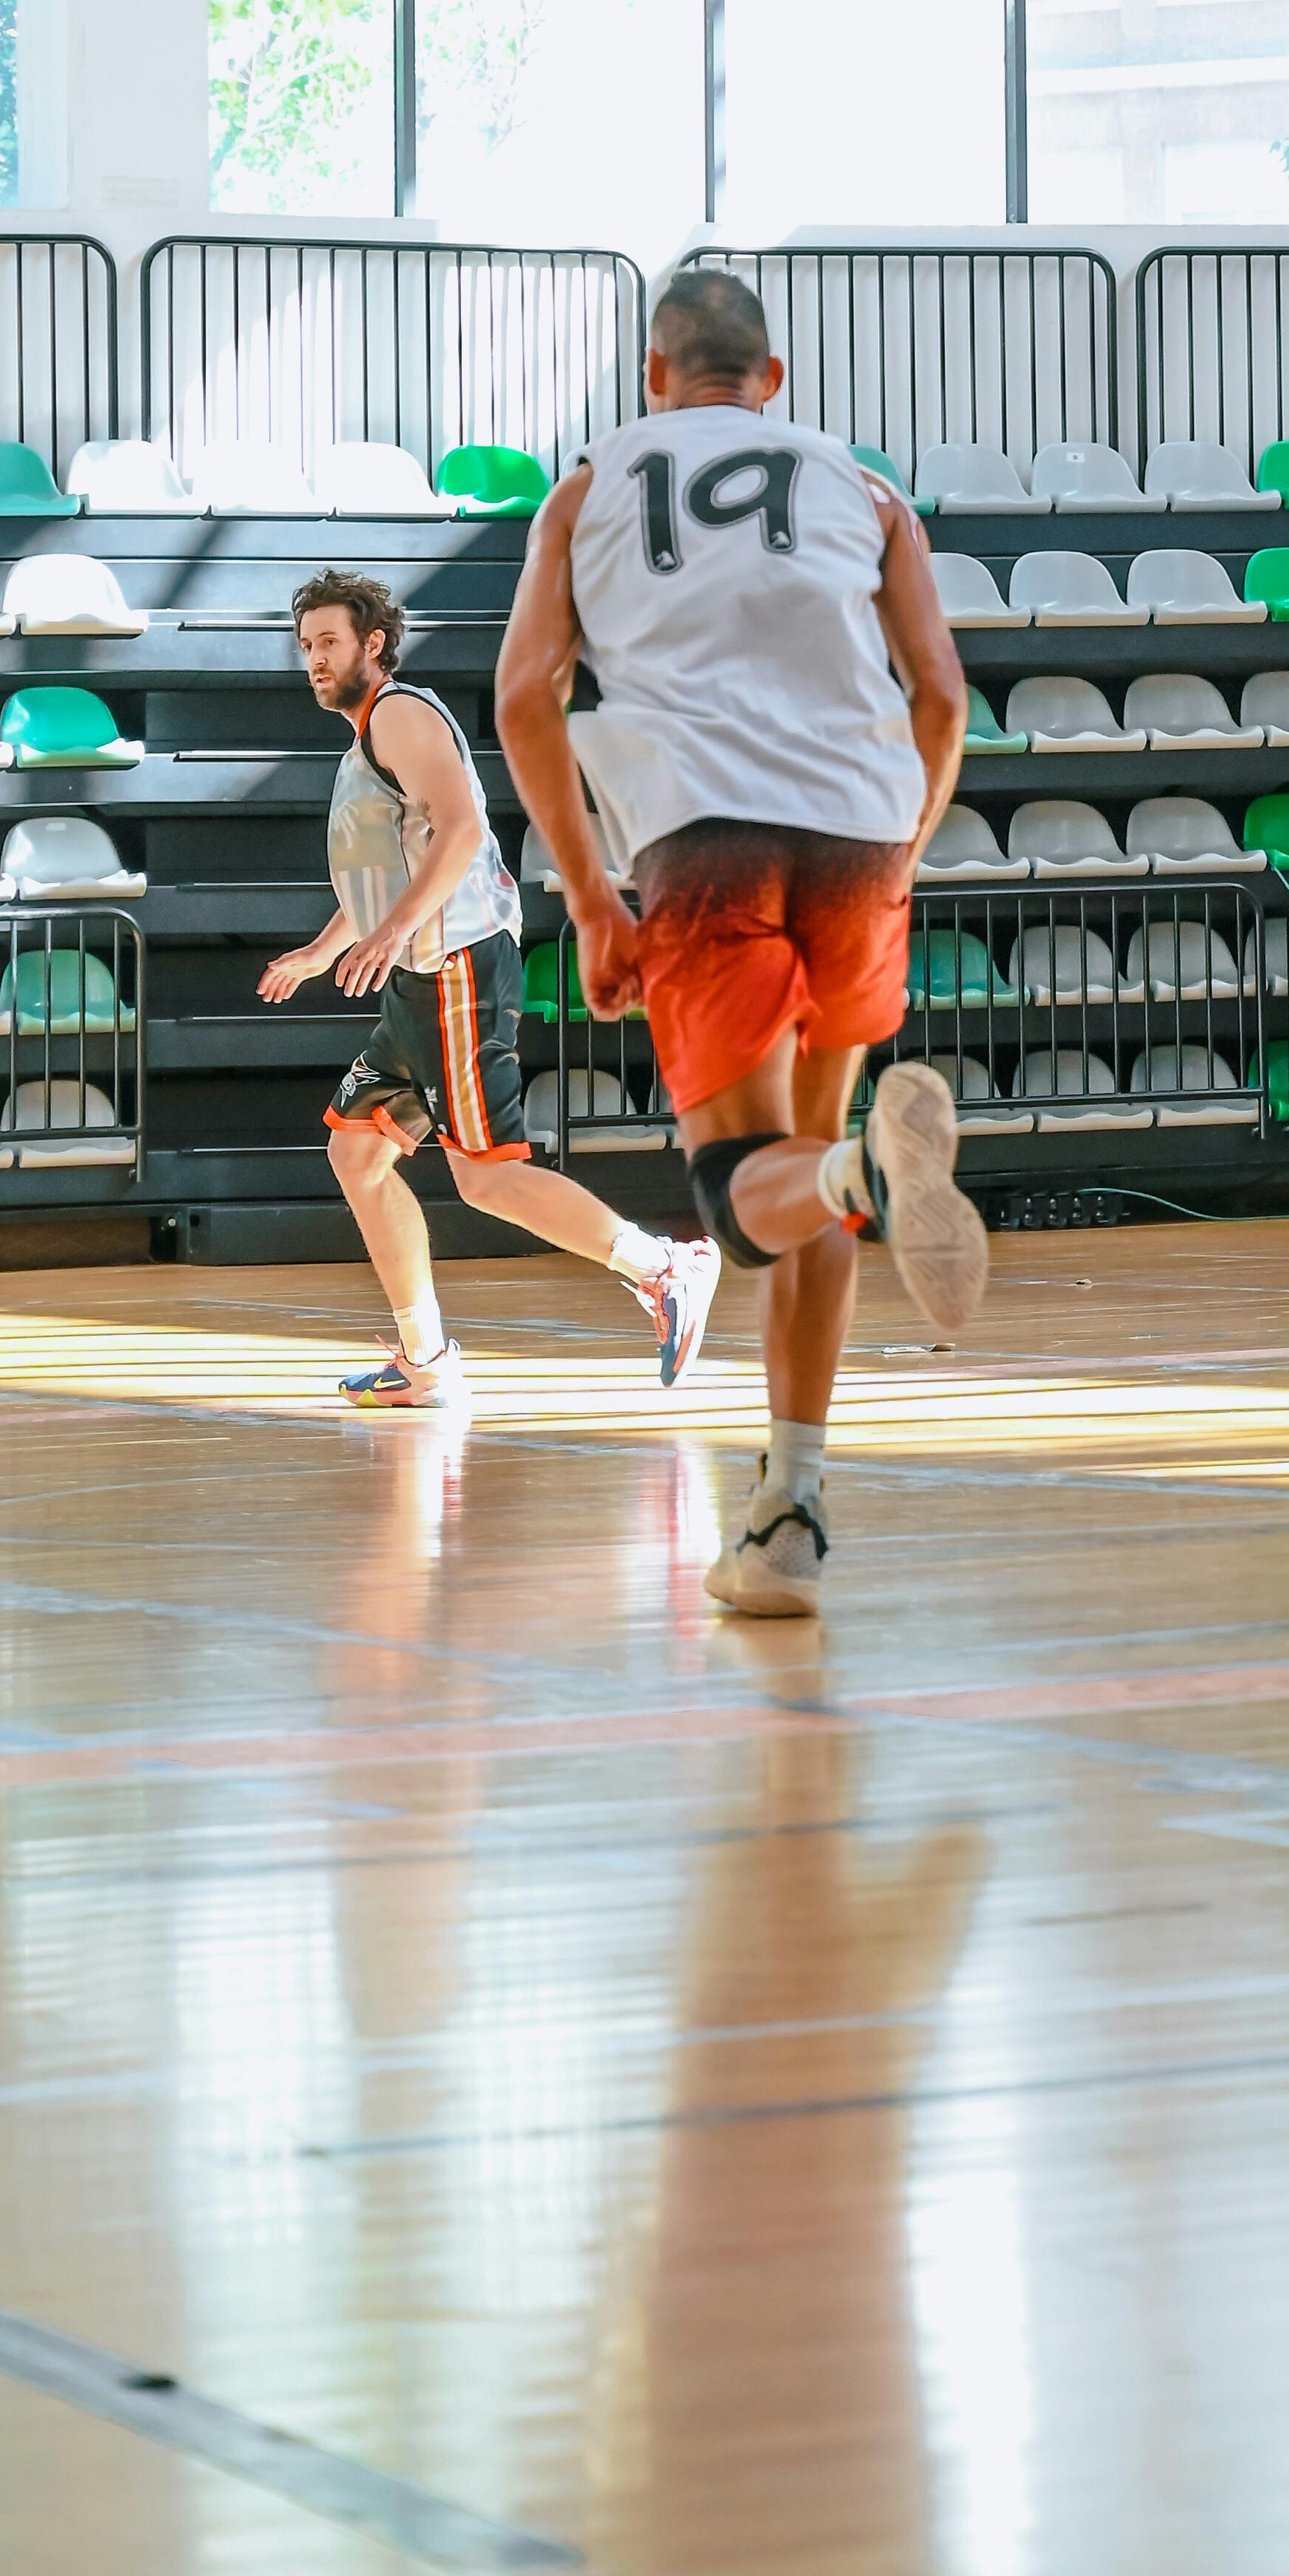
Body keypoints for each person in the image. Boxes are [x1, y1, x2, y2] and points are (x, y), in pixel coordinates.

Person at [493, 265, 978, 1618]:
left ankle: (867, 1170)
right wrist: (907, 850)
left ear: (656, 377)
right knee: (813, 1175)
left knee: (743, 1189)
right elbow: (940, 694)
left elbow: (525, 697)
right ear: (772, 382)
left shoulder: (589, 486)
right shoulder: (863, 489)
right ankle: (789, 1513)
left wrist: (591, 894)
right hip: (861, 828)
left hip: (701, 835)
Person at [265, 570, 721, 1412]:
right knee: (357, 1154)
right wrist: (324, 948)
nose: (314, 661)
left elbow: (465, 828)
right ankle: (424, 1357)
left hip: (457, 969)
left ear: (373, 643)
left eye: (328, 642)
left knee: (488, 1178)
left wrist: (394, 930)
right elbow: (382, 873)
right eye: (305, 647)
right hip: (418, 980)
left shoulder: (400, 714)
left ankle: (667, 1267)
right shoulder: (367, 737)